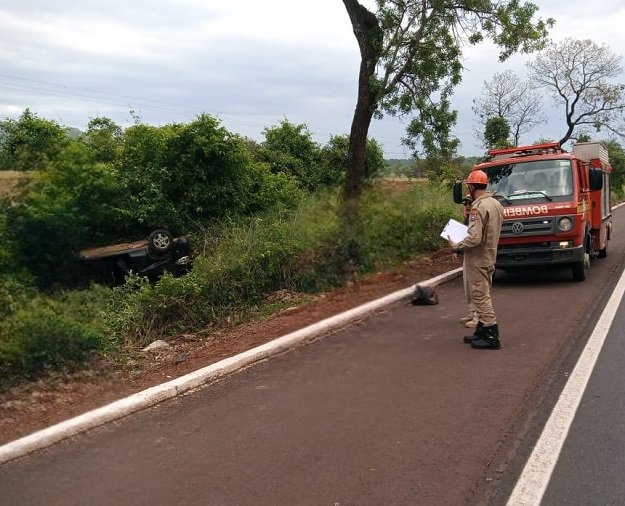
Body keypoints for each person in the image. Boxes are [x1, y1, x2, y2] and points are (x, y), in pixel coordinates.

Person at [448, 169, 504, 350]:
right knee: (482, 292)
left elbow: (474, 238)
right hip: (489, 255)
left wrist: (456, 245)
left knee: (480, 296)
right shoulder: (495, 204)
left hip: (477, 258)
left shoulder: (478, 208)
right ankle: (481, 330)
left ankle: (491, 335)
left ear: (471, 187)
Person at [457, 193, 478, 328]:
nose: (468, 206)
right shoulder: (467, 219)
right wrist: (457, 250)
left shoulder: (476, 219)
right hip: (468, 254)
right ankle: (472, 312)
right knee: (468, 286)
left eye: (470, 203)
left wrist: (458, 247)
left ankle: (478, 316)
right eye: (465, 204)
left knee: (476, 287)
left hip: (477, 256)